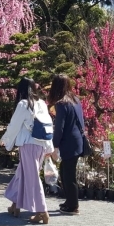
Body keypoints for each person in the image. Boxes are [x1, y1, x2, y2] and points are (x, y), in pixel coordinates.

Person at [0, 78, 54, 224]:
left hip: (28, 145)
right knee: (22, 174)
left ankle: (42, 211)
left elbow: (14, 126)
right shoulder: (41, 103)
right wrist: (49, 146)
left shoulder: (24, 104)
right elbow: (48, 125)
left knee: (32, 177)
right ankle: (15, 205)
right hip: (41, 145)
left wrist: (5, 139)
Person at [48, 74, 85, 216]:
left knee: (69, 175)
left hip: (69, 142)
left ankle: (73, 205)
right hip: (77, 140)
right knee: (65, 171)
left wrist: (54, 145)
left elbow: (59, 128)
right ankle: (69, 202)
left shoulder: (61, 104)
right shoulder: (75, 100)